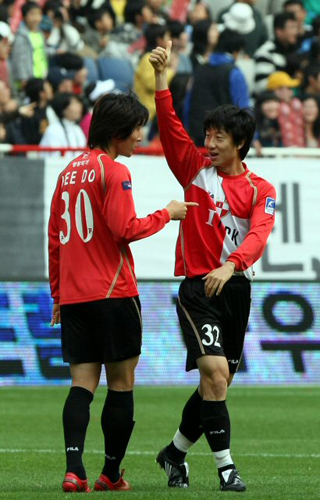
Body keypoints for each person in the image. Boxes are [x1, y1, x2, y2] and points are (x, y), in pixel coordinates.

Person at [48, 91, 197, 493]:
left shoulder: (66, 174)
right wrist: (167, 213)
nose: (140, 137)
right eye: (136, 129)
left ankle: (73, 470)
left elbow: (55, 241)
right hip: (114, 294)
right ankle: (110, 474)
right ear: (117, 133)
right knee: (120, 383)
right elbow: (126, 228)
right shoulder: (114, 172)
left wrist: (58, 296)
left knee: (81, 384)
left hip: (76, 298)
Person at [149, 41, 276, 493]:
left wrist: (234, 264)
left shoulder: (262, 188)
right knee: (216, 374)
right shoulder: (193, 169)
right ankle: (226, 468)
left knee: (214, 383)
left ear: (240, 142)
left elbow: (260, 233)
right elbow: (169, 129)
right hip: (198, 289)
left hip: (237, 290)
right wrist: (162, 79)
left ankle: (174, 454)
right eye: (208, 135)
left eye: (220, 136)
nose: (210, 143)